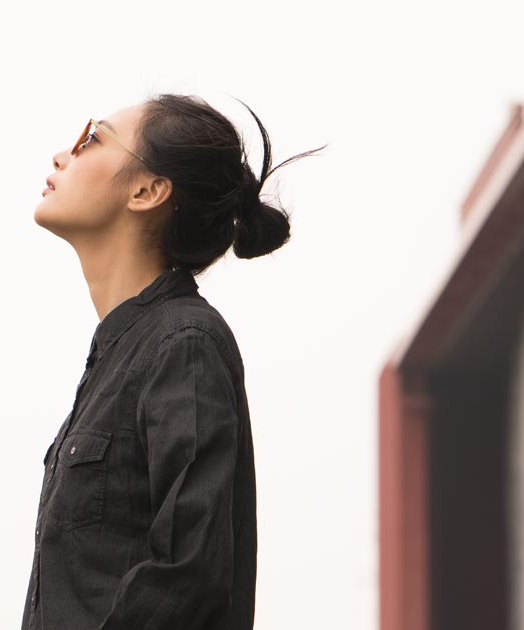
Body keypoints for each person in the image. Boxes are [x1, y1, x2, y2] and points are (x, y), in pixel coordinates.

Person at [21, 94, 325, 630]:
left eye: (90, 138)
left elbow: (190, 574)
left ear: (148, 190)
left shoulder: (185, 343)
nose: (60, 156)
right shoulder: (120, 353)